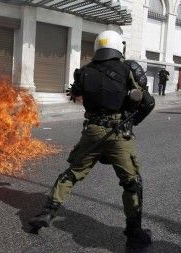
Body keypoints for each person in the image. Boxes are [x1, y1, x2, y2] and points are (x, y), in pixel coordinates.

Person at [28, 30, 153, 250]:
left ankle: (46, 213)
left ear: (98, 47)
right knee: (132, 182)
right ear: (118, 47)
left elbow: (75, 94)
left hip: (92, 131)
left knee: (71, 173)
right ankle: (134, 234)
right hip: (118, 134)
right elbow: (147, 102)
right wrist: (131, 122)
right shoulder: (127, 69)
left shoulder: (84, 71)